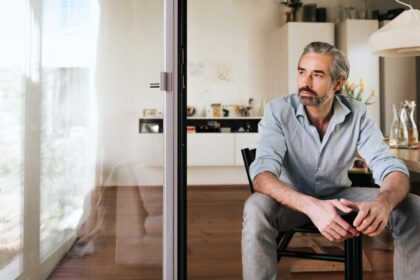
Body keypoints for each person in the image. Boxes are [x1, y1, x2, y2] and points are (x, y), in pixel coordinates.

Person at [242, 41, 420, 280]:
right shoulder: (278, 110)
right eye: (302, 72)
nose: (305, 82)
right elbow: (262, 176)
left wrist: (383, 204)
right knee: (256, 206)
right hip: (291, 201)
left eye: (317, 75)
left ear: (337, 83)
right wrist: (312, 207)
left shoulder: (357, 113)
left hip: (340, 196)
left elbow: (388, 165)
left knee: (414, 207)